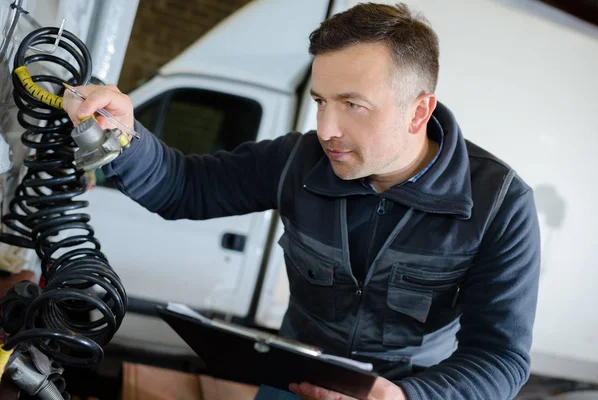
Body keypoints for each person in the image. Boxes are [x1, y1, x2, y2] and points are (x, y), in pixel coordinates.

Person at [63, 2, 541, 399]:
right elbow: (184, 186)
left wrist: (404, 397)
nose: (327, 129)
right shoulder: (298, 161)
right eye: (320, 101)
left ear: (419, 111)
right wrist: (123, 136)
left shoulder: (499, 203)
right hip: (296, 384)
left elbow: (500, 356)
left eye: (352, 104)